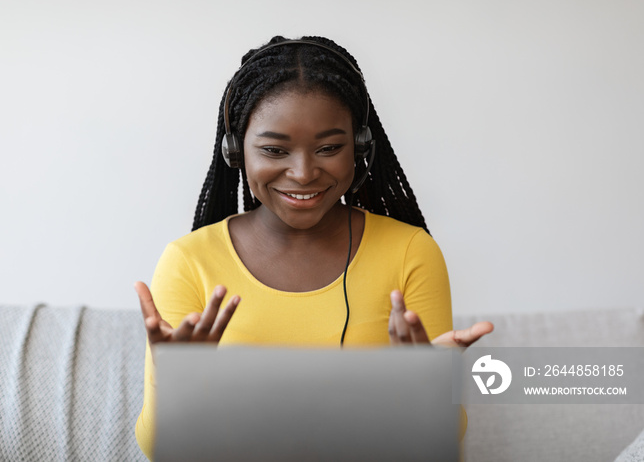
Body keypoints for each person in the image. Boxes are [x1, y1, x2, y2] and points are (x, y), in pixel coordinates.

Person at [134, 35, 493, 459]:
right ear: (235, 151)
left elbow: (442, 443)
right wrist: (171, 382)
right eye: (274, 149)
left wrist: (429, 389)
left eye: (329, 148)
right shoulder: (188, 262)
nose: (303, 173)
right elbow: (161, 451)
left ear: (360, 147)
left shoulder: (411, 252)